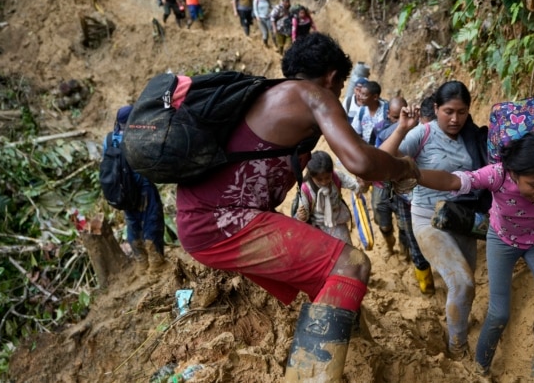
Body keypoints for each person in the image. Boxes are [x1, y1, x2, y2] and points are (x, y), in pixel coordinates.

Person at [175, 33, 420, 381]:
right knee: (352, 265)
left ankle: (356, 349)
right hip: (220, 220)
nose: (337, 95)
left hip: (206, 216)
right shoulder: (314, 95)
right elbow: (361, 162)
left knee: (327, 276)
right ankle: (310, 376)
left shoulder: (269, 94)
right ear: (333, 77)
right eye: (340, 86)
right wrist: (404, 168)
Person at [417, 132, 534, 380]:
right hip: (502, 240)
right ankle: (481, 366)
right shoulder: (498, 174)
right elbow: (454, 181)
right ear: (514, 172)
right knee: (499, 312)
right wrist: (414, 174)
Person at [379, 80, 488, 358]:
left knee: (467, 283)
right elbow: (380, 162)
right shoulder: (422, 134)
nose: (455, 119)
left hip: (463, 219)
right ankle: (457, 347)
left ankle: (457, 324)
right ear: (436, 108)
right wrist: (403, 127)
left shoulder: (473, 136)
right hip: (428, 218)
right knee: (461, 283)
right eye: (448, 111)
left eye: (462, 112)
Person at [374, 97, 435, 294]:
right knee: (410, 236)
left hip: (432, 195)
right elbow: (378, 163)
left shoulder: (447, 136)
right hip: (405, 197)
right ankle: (426, 285)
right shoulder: (392, 134)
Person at [104, 105, 167, 274]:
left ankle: (141, 262)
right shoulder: (137, 138)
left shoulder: (109, 139)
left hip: (122, 192)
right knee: (152, 220)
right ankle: (156, 263)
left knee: (132, 224)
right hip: (143, 187)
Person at [295, 151, 364, 245]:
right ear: (311, 176)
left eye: (327, 177)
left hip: (338, 221)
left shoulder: (336, 176)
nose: (324, 182)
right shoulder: (305, 189)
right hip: (318, 226)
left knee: (345, 248)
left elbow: (353, 184)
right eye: (319, 179)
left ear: (332, 171)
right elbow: (304, 214)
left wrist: (359, 187)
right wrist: (301, 216)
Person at [350, 80, 387, 145]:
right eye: (361, 93)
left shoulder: (386, 111)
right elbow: (355, 132)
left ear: (375, 97)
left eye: (364, 95)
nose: (360, 97)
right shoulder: (361, 111)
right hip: (366, 149)